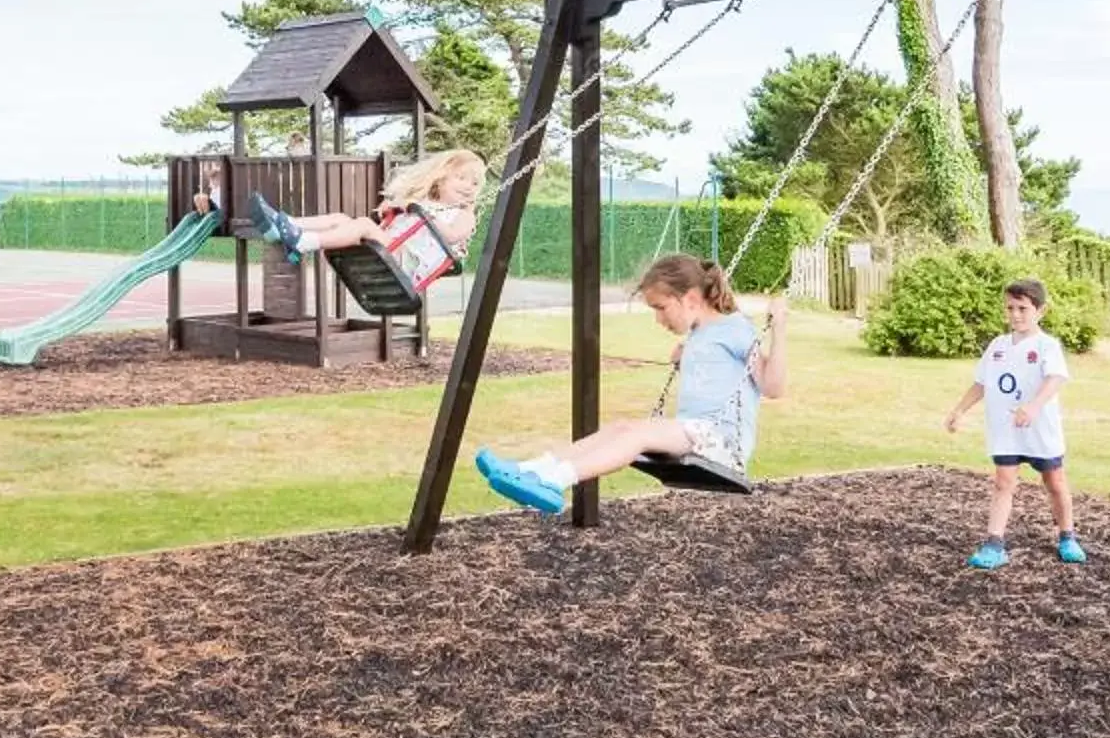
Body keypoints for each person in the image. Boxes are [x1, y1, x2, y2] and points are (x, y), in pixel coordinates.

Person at [475, 254, 788, 513]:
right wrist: (687, 356)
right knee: (621, 427)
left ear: (691, 299)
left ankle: (556, 480)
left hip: (721, 440)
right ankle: (530, 470)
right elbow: (713, 374)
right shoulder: (699, 335)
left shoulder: (735, 329)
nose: (658, 319)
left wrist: (780, 330)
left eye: (661, 308)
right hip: (695, 431)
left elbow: (773, 387)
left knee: (637, 434)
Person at [944, 278, 1083, 568]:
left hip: (1039, 430)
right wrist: (959, 410)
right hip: (1005, 429)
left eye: (1023, 308)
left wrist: (1033, 406)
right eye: (1010, 308)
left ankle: (1067, 536)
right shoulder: (997, 346)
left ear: (1040, 311)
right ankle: (994, 544)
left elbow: (1055, 378)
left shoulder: (1047, 346)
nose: (1016, 314)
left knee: (1054, 482)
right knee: (1003, 482)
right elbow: (982, 383)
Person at [248, 148, 483, 288]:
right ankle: (287, 223)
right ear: (440, 179)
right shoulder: (424, 202)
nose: (468, 187)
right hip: (393, 248)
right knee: (341, 218)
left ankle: (302, 243)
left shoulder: (463, 214)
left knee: (362, 225)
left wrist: (416, 209)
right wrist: (393, 207)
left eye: (474, 183)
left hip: (409, 263)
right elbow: (400, 215)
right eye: (461, 178)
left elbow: (452, 235)